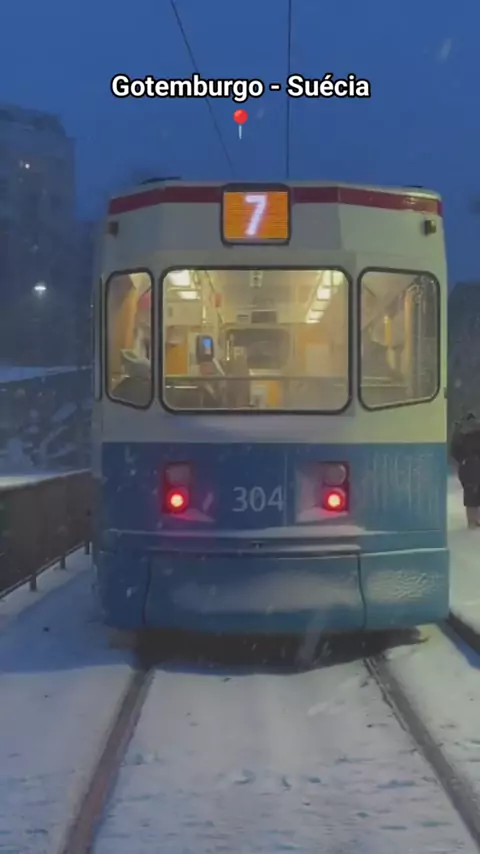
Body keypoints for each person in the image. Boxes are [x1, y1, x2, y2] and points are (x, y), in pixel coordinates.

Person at [450, 412, 480, 528]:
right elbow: (455, 451)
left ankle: (473, 520)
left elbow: (454, 451)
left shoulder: (462, 436)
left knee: (472, 494)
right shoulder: (463, 437)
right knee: (472, 494)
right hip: (470, 467)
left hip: (468, 466)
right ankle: (473, 520)